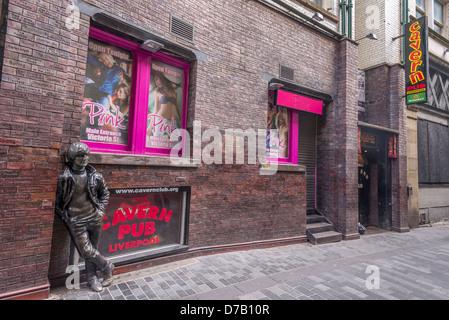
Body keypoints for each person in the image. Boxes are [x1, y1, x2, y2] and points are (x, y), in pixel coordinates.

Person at [55, 142, 114, 292]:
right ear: (72, 157)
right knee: (86, 251)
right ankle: (107, 267)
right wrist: (66, 217)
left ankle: (92, 278)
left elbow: (105, 193)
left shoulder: (95, 176)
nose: (85, 158)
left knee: (93, 249)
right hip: (76, 220)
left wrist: (100, 211)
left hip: (94, 217)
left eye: (87, 155)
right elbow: (57, 202)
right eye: (81, 156)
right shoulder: (64, 179)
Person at [147, 70, 181, 140]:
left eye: (157, 79)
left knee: (176, 142)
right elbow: (155, 110)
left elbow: (176, 108)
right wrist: (150, 127)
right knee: (156, 141)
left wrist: (181, 121)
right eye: (155, 81)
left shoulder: (173, 91)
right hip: (160, 120)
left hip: (172, 122)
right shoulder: (157, 92)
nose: (156, 83)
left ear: (162, 78)